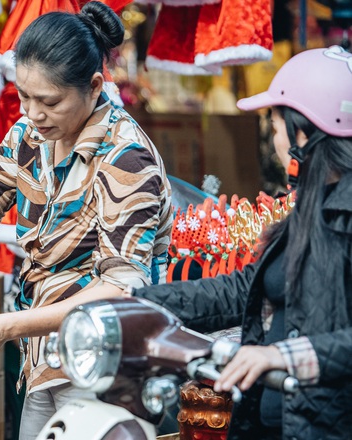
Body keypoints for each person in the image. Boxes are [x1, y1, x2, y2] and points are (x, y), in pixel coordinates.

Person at [0, 2, 173, 438]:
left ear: (94, 86)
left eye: (49, 101)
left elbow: (120, 288)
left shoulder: (127, 158)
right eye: (24, 96)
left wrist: (6, 326)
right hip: (45, 355)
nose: (33, 113)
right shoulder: (29, 135)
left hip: (108, 366)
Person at [131, 46, 352, 440]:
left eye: (275, 124)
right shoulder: (310, 207)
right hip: (276, 423)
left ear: (303, 132)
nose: (273, 138)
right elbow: (242, 289)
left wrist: (279, 355)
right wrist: (141, 301)